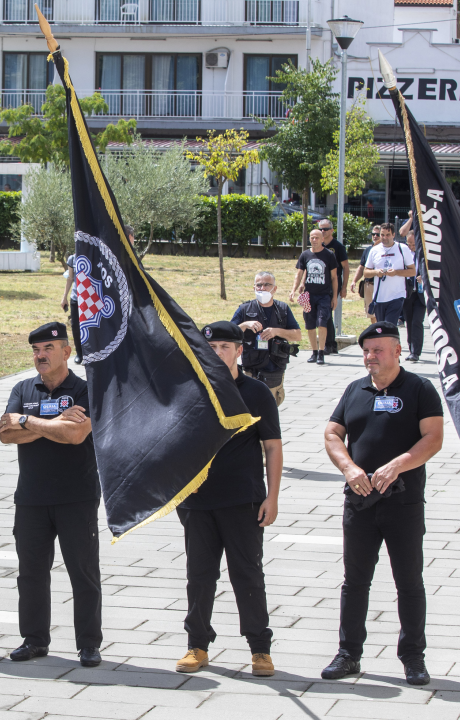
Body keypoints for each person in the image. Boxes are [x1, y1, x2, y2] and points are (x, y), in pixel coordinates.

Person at [321, 321, 444, 687]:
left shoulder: (419, 388)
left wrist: (399, 463)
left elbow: (434, 438)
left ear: (396, 351)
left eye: (377, 350)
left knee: (408, 581)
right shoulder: (355, 389)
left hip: (402, 503)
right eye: (366, 351)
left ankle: (413, 658)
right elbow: (332, 433)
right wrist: (348, 467)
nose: (370, 357)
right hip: (359, 502)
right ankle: (349, 654)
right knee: (355, 581)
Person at [173, 321, 283, 676]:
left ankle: (259, 649)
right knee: (199, 576)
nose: (218, 353)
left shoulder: (256, 392)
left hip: (242, 500)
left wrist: (273, 496)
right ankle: (197, 645)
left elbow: (273, 446)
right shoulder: (190, 389)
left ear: (239, 351)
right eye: (212, 347)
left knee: (247, 575)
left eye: (225, 346)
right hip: (197, 502)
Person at [0, 322, 102, 668]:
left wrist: (28, 422)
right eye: (35, 350)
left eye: (47, 348)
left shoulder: (86, 390)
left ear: (66, 352)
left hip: (77, 496)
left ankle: (88, 644)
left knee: (82, 572)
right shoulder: (23, 388)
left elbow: (76, 436)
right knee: (31, 573)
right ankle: (34, 640)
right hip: (31, 497)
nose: (40, 356)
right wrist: (56, 420)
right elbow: (6, 434)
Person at [232, 271, 301, 406]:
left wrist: (277, 331)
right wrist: (245, 325)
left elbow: (297, 335)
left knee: (270, 412)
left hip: (275, 371)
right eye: (259, 285)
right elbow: (229, 333)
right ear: (254, 288)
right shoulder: (244, 309)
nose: (262, 288)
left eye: (267, 285)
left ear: (274, 288)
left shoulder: (283, 309)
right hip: (250, 371)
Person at [291, 229, 339, 365]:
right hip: (308, 295)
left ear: (322, 239)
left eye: (317, 237)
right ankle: (314, 352)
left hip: (324, 295)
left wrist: (334, 297)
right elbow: (299, 273)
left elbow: (334, 277)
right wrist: (293, 290)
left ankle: (321, 352)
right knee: (310, 324)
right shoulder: (305, 255)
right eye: (312, 237)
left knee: (322, 322)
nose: (314, 240)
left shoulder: (329, 255)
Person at [364, 223, 415, 325]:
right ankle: (395, 341)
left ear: (393, 235)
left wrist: (396, 272)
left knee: (390, 325)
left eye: (388, 235)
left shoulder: (402, 248)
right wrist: (376, 272)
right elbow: (366, 272)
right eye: (382, 235)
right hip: (379, 297)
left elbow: (412, 271)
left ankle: (393, 340)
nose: (384, 238)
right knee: (382, 328)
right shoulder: (374, 250)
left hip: (397, 295)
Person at [317, 218, 349, 355]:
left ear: (332, 230)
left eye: (325, 229)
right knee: (324, 314)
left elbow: (346, 267)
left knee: (326, 314)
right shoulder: (317, 245)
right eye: (320, 229)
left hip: (333, 284)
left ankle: (329, 344)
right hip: (318, 284)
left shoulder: (338, 246)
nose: (322, 232)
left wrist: (344, 287)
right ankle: (330, 344)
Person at [402, 229, 428, 363]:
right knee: (409, 322)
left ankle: (416, 352)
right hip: (408, 293)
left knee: (417, 321)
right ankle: (411, 349)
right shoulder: (404, 254)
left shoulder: (425, 254)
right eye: (409, 244)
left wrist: (424, 277)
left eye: (414, 244)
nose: (411, 247)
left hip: (421, 294)